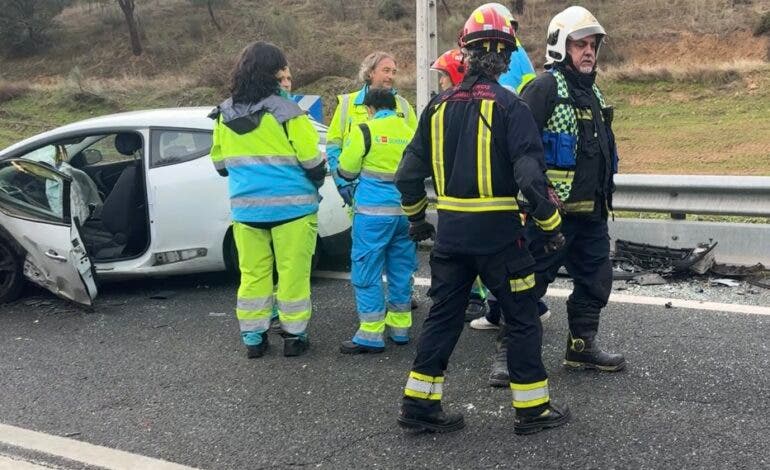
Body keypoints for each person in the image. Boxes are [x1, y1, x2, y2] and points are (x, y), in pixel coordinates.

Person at [394, 4, 570, 435]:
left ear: (465, 53)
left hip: (451, 241)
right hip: (501, 242)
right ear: (507, 58)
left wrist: (418, 220)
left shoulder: (435, 108)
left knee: (443, 317)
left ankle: (419, 406)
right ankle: (532, 410)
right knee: (523, 316)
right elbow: (532, 179)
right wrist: (551, 229)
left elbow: (407, 176)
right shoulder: (511, 107)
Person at [518, 6, 625, 372]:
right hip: (552, 217)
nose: (589, 51)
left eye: (593, 44)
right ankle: (508, 355)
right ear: (560, 46)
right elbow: (520, 151)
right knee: (527, 287)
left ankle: (581, 346)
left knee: (596, 282)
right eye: (580, 44)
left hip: (592, 215)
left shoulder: (595, 93)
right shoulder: (544, 88)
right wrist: (536, 203)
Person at [209, 41, 325, 358]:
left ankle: (254, 340)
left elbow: (220, 165)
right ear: (274, 72)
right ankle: (293, 337)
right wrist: (316, 179)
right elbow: (312, 160)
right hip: (294, 210)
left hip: (247, 211)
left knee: (253, 275)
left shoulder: (223, 115)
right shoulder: (287, 111)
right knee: (292, 274)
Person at [336, 88, 417, 353]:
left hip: (372, 214)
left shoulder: (365, 130)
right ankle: (401, 329)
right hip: (406, 213)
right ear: (394, 107)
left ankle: (370, 334)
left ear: (370, 109)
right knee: (401, 269)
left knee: (367, 270)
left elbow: (346, 170)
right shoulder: (409, 132)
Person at [326, 51, 418, 207]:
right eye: (386, 70)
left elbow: (416, 148)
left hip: (398, 195)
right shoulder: (347, 103)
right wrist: (342, 182)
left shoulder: (403, 106)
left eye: (394, 72)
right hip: (358, 192)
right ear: (370, 72)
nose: (391, 76)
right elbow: (333, 146)